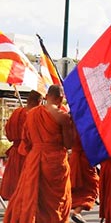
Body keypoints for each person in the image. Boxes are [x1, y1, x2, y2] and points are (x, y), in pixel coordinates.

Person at [5, 85, 72, 223]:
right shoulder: (62, 117)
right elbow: (69, 144)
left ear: (46, 97)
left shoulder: (31, 115)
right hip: (55, 163)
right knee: (54, 203)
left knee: (33, 198)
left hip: (34, 159)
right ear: (61, 99)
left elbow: (26, 142)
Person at [0, 90, 42, 201]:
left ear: (27, 100)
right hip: (29, 154)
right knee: (26, 187)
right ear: (39, 101)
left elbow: (8, 133)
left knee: (14, 185)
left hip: (15, 151)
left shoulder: (17, 112)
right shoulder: (36, 115)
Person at [70, 127, 100, 223]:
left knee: (74, 189)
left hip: (73, 158)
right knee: (92, 188)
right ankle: (77, 212)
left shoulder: (70, 121)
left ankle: (71, 212)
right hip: (85, 158)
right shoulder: (88, 124)